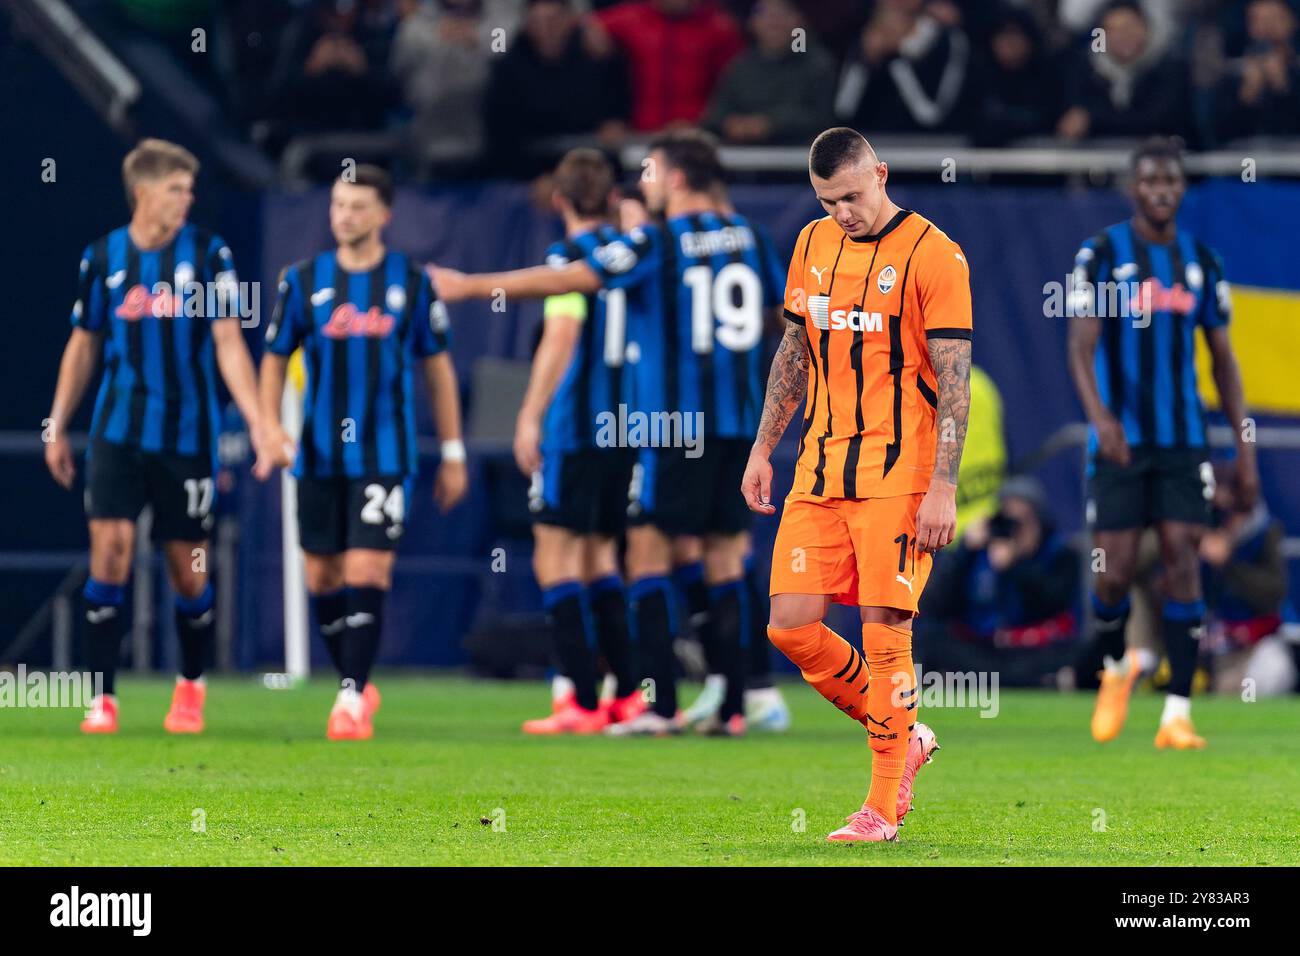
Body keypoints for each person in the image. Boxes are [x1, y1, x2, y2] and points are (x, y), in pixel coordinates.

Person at [434, 129, 786, 736]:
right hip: (739, 423)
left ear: (675, 178)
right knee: (725, 556)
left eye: (649, 171)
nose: (642, 183)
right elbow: (784, 321)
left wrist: (471, 286)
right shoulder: (753, 239)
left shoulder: (659, 239)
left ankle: (658, 704)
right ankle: (734, 704)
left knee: (647, 551)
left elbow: (573, 278)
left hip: (675, 424)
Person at [741, 127, 971, 842]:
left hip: (899, 476)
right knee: (789, 625)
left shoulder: (934, 254)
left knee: (886, 638)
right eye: (827, 200)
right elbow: (792, 350)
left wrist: (944, 485)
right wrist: (762, 447)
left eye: (851, 195)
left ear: (881, 172)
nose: (843, 212)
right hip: (819, 467)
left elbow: (954, 380)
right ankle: (906, 737)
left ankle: (880, 809)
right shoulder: (810, 245)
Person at [44, 138, 271, 735]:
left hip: (187, 437)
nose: (187, 199)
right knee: (110, 554)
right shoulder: (102, 258)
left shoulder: (210, 255)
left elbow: (228, 341)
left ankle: (191, 687)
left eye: (190, 189)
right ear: (143, 192)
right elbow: (84, 342)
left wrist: (257, 419)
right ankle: (103, 698)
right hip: (117, 434)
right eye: (177, 188)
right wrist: (56, 423)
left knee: (189, 569)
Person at [258, 164, 469, 740]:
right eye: (337, 205)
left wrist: (453, 451)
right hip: (319, 454)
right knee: (323, 576)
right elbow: (275, 356)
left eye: (356, 206)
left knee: (367, 567)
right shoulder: (303, 281)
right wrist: (266, 426)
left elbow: (438, 369)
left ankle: (350, 695)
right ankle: (353, 678)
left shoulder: (411, 280)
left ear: (384, 215)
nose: (344, 216)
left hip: (384, 452)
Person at [1067, 136, 1258, 749]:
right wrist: (1101, 419)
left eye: (1171, 181)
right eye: (1150, 181)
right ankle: (1117, 667)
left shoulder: (1201, 261)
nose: (1160, 191)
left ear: (1180, 188)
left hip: (1183, 440)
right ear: (1133, 187)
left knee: (1183, 556)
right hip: (1120, 442)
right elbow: (1080, 346)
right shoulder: (1099, 256)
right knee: (1113, 575)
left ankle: (1177, 712)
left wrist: (1244, 449)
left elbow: (1224, 363)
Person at [512, 148, 645, 734]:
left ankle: (581, 702)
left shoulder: (566, 257)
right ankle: (627, 693)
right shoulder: (632, 255)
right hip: (624, 428)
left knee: (555, 558)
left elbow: (561, 336)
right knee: (599, 560)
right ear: (613, 198)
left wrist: (529, 414)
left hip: (574, 427)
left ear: (559, 200)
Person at [918, 476, 1081, 686]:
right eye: (1007, 521)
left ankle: (979, 679)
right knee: (931, 642)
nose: (1013, 530)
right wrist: (964, 552)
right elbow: (934, 606)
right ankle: (1029, 681)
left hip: (1030, 649)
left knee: (1075, 652)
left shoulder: (1061, 554)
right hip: (983, 648)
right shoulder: (978, 552)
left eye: (1021, 522)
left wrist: (1017, 566)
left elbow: (1052, 604)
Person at [585, 0, 744, 132]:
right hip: (640, 132)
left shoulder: (719, 28)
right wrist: (594, 36)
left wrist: (706, 124)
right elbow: (588, 23)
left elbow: (731, 86)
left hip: (697, 133)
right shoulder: (632, 18)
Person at [702, 0, 837, 146]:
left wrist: (771, 124)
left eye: (782, 12)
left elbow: (822, 117)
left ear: (799, 19)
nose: (773, 21)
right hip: (745, 158)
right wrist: (729, 124)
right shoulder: (740, 66)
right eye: (764, 13)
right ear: (751, 23)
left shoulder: (817, 64)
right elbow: (717, 115)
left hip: (800, 158)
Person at [1057, 0, 1188, 141]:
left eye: (1129, 27)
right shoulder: (1085, 68)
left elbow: (1158, 121)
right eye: (1112, 29)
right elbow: (1075, 115)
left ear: (1146, 29)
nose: (1122, 35)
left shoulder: (1169, 68)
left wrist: (1093, 119)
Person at [1211, 0, 1300, 141]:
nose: (1267, 28)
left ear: (1293, 21)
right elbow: (1219, 133)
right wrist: (1249, 92)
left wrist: (1282, 86)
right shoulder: (1233, 76)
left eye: (1274, 19)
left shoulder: (1296, 73)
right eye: (1259, 20)